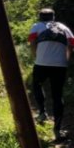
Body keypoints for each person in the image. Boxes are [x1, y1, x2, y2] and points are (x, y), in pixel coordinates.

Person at [28, 8, 74, 140]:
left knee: (36, 86)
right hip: (60, 65)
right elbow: (71, 43)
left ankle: (42, 112)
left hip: (41, 63)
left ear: (40, 17)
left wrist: (35, 56)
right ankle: (57, 130)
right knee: (58, 96)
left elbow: (32, 42)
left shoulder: (36, 26)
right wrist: (66, 59)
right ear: (53, 17)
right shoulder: (64, 27)